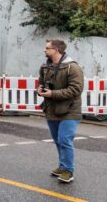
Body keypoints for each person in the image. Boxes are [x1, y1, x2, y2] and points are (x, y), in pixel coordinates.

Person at [37, 39, 84, 183]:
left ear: (56, 50)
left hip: (70, 110)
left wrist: (52, 94)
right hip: (52, 109)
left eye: (47, 48)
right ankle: (62, 166)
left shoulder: (72, 68)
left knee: (64, 140)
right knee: (58, 141)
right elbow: (41, 82)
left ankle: (69, 171)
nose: (44, 51)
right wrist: (40, 90)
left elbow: (76, 90)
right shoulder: (45, 66)